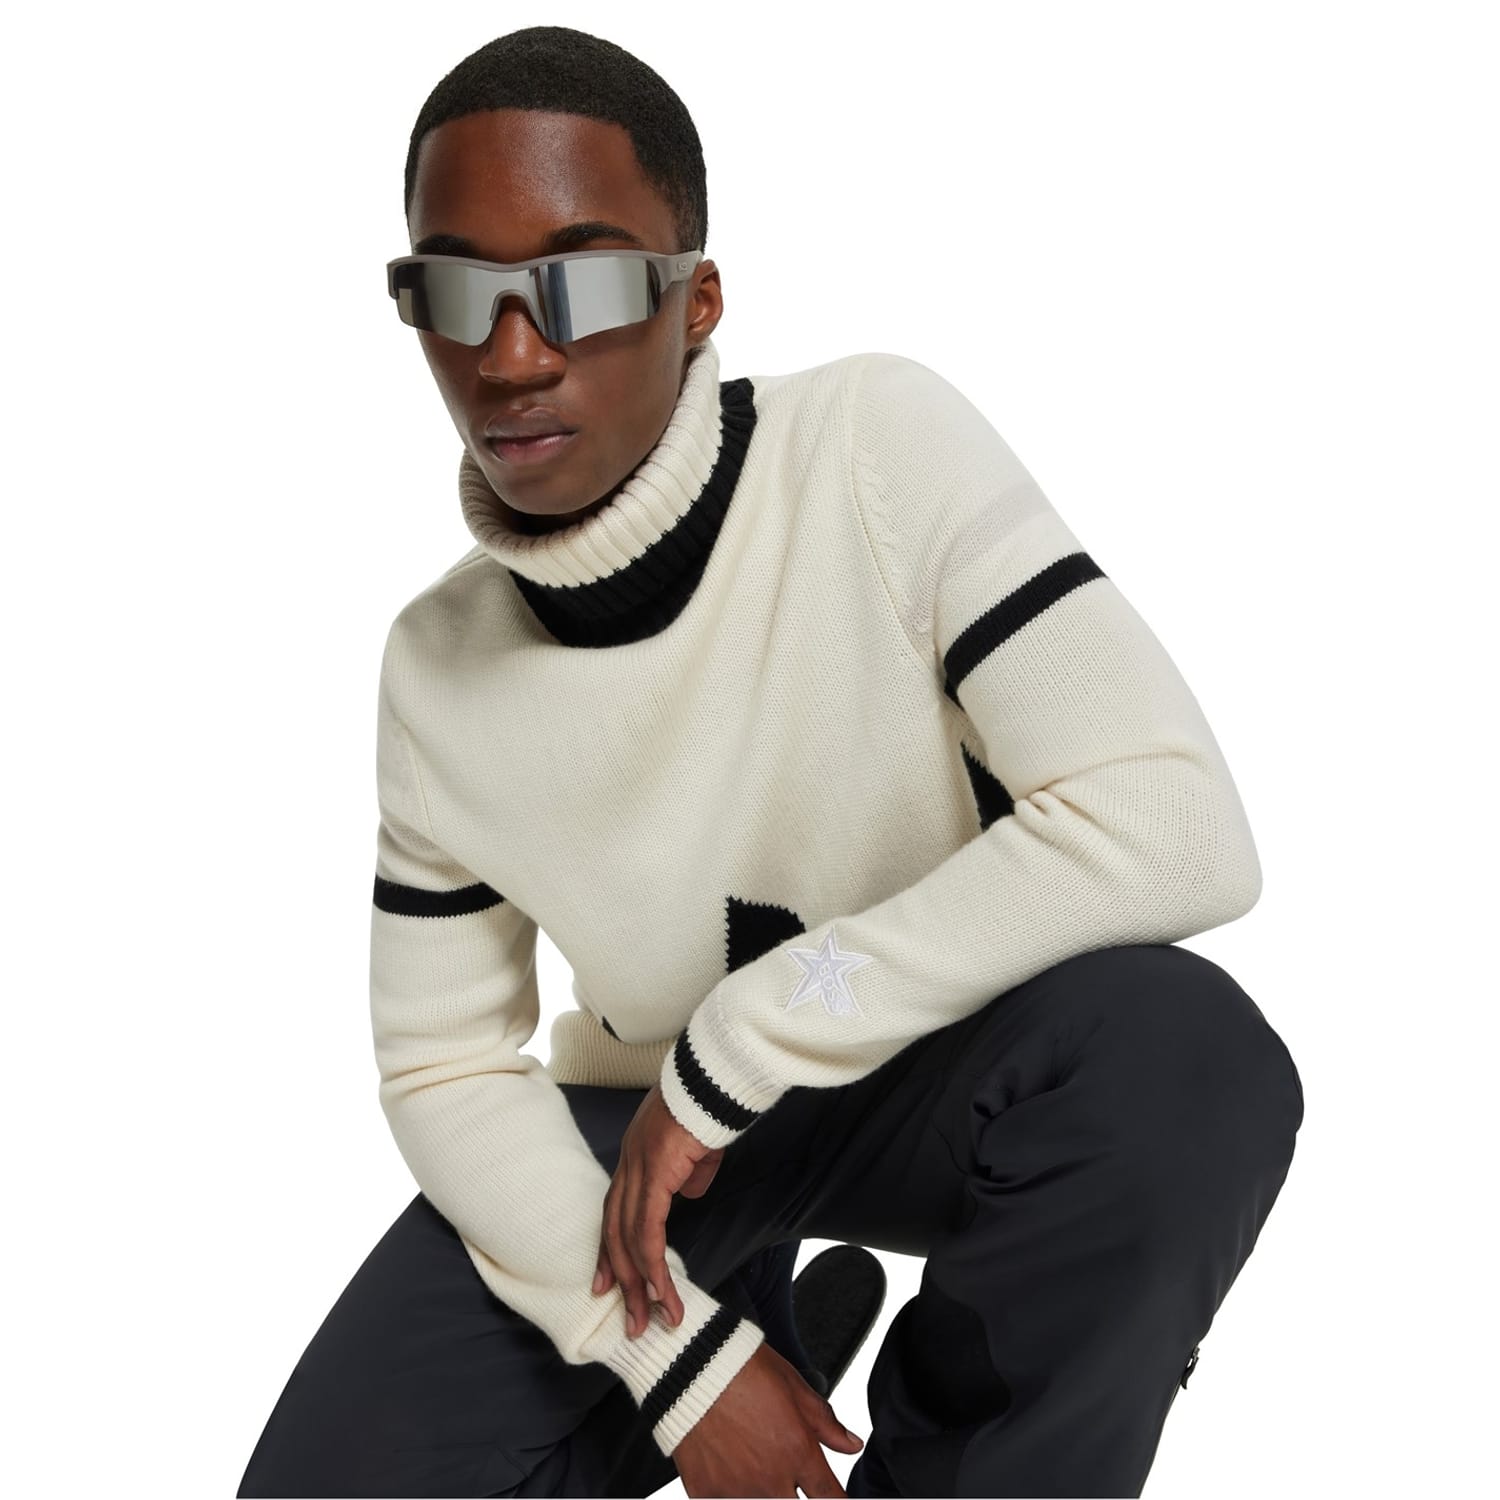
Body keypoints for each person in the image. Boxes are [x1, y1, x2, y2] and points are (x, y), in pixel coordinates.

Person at [236, 23, 1304, 1500]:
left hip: (944, 1073)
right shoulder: (438, 665)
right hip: (648, 1157)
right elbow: (443, 1062)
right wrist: (678, 1364)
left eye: (584, 284)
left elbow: (1175, 824)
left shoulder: (870, 447)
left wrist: (746, 1044)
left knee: (1183, 1061)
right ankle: (764, 1322)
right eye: (456, 292)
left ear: (697, 299)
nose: (512, 355)